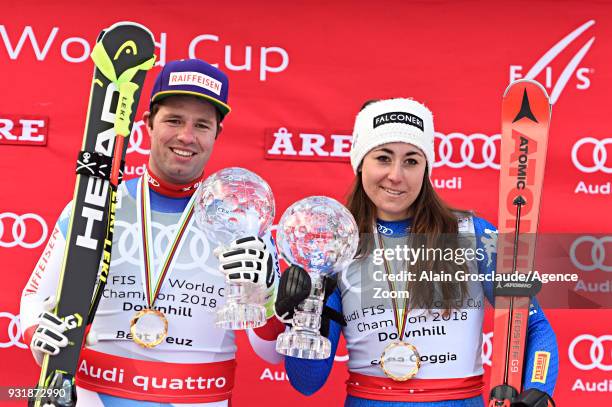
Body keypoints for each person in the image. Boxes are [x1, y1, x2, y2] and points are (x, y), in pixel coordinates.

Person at [20, 59, 285, 406]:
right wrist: (40, 334)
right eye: (174, 120)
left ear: (216, 133)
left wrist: (265, 296)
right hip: (95, 396)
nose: (186, 136)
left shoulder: (244, 222)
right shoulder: (95, 206)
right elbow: (34, 300)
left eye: (202, 125)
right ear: (147, 123)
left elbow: (271, 355)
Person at [275, 98, 558, 406]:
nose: (396, 175)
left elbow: (532, 324)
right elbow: (307, 382)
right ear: (360, 162)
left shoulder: (471, 234)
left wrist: (538, 389)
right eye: (383, 158)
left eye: (411, 161)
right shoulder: (337, 244)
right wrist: (304, 318)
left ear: (426, 168)